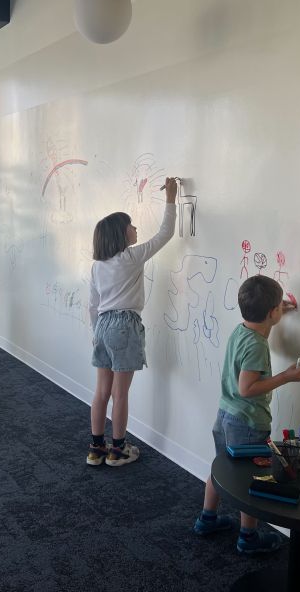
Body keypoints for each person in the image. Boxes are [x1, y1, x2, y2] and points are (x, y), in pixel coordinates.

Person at [193, 275, 300, 553]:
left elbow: (264, 317)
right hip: (246, 423)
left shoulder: (242, 330)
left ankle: (206, 520)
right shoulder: (256, 345)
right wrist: (286, 377)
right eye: (278, 308)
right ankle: (248, 538)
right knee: (249, 479)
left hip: (225, 415)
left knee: (219, 469)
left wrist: (277, 309)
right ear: (271, 313)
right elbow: (247, 388)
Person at [86, 176, 179, 467]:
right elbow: (164, 235)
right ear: (121, 234)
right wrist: (171, 199)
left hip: (102, 326)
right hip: (124, 325)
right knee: (120, 393)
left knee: (101, 391)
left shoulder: (98, 266)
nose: (136, 228)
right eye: (131, 225)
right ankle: (119, 449)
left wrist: (95, 332)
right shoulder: (130, 257)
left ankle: (96, 448)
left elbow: (93, 304)